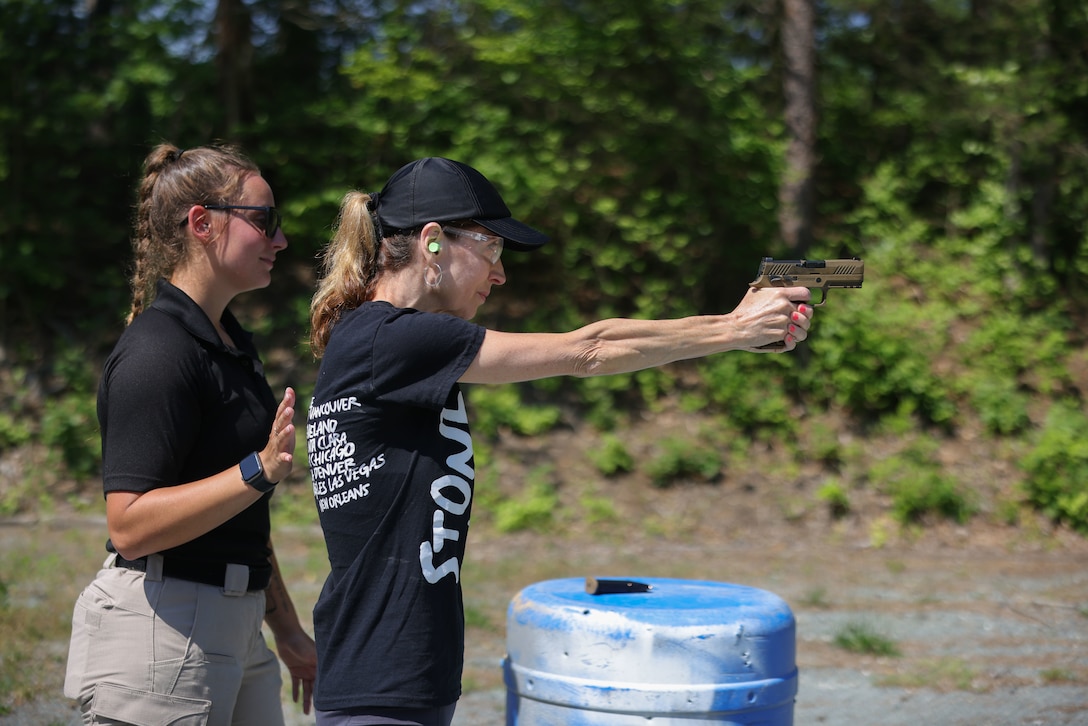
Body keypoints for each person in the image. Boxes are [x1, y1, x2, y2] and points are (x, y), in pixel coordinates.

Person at [305, 157, 814, 726]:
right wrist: (735, 329)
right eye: (491, 250)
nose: (500, 275)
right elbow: (586, 351)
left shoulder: (387, 344)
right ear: (431, 242)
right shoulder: (390, 340)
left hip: (397, 673)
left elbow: (591, 343)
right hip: (379, 683)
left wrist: (732, 327)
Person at [63, 142, 317, 726]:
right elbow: (129, 527)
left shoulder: (230, 345)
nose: (280, 241)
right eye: (264, 221)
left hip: (240, 627)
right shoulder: (158, 351)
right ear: (202, 223)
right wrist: (256, 471)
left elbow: (237, 517)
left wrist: (288, 631)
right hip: (164, 633)